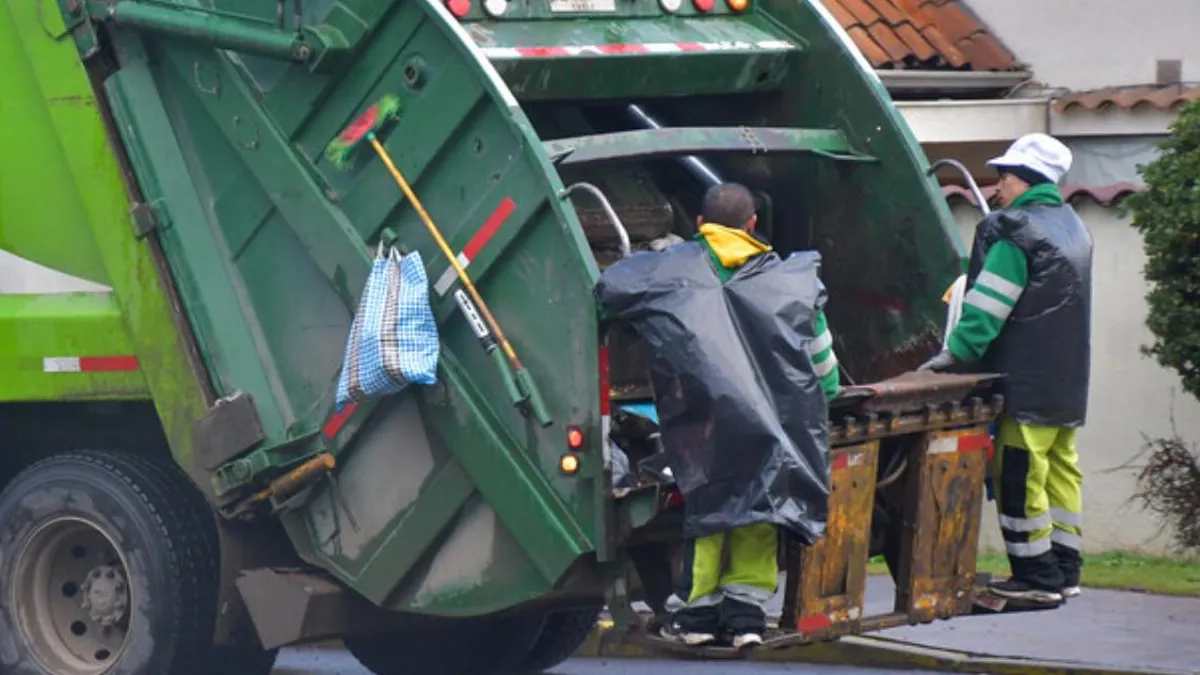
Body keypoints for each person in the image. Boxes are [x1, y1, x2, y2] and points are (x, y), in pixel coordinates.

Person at [662, 182, 841, 647]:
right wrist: (825, 395)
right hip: (767, 424)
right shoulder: (787, 280)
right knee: (760, 507)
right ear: (753, 224)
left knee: (708, 508)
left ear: (699, 224)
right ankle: (746, 617)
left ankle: (697, 616)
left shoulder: (674, 273)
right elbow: (822, 366)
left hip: (703, 425)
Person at [919, 133, 1092, 608]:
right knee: (1061, 474)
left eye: (1004, 177)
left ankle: (1036, 576)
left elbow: (987, 307)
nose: (997, 187)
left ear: (1027, 180)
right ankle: (1064, 570)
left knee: (1020, 475)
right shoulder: (1072, 226)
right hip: (1066, 384)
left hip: (1024, 384)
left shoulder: (1017, 230)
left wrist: (954, 354)